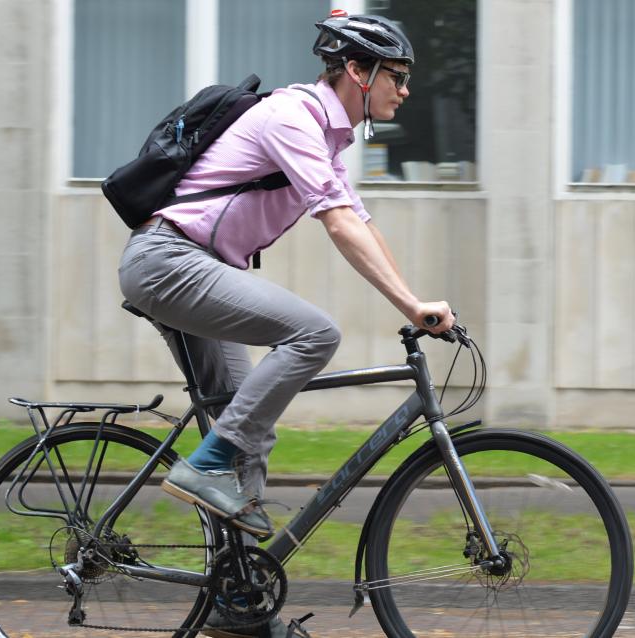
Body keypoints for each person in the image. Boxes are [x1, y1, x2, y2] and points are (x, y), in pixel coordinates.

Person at [117, 10, 454, 638]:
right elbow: (339, 223)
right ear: (357, 70)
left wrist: (413, 301)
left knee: (249, 436)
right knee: (315, 334)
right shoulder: (293, 117)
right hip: (169, 260)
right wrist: (410, 308)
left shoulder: (328, 140)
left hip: (193, 267)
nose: (404, 90)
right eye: (397, 76)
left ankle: (239, 610)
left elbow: (364, 222)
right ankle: (206, 460)